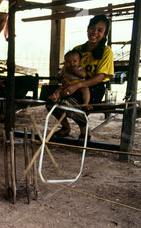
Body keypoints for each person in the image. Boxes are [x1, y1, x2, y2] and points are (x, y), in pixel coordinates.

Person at [46, 14, 114, 143]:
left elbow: (100, 77)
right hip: (72, 84)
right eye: (92, 28)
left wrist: (77, 86)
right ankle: (65, 128)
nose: (95, 32)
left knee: (69, 103)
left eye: (100, 30)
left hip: (93, 89)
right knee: (50, 102)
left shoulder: (106, 52)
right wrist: (64, 79)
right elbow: (65, 69)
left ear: (104, 35)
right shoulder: (77, 50)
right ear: (88, 29)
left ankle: (84, 130)